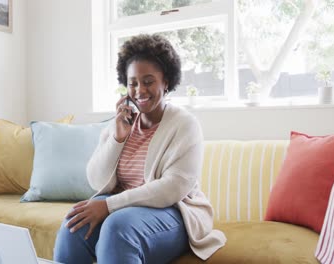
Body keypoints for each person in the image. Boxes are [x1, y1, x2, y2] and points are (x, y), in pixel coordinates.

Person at [54, 34, 226, 264]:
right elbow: (96, 181)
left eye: (148, 81)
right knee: (74, 224)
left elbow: (172, 189)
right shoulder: (122, 123)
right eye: (133, 82)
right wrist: (117, 138)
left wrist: (108, 205)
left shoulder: (185, 124)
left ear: (166, 82)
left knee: (118, 228)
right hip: (126, 210)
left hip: (176, 212)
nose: (139, 91)